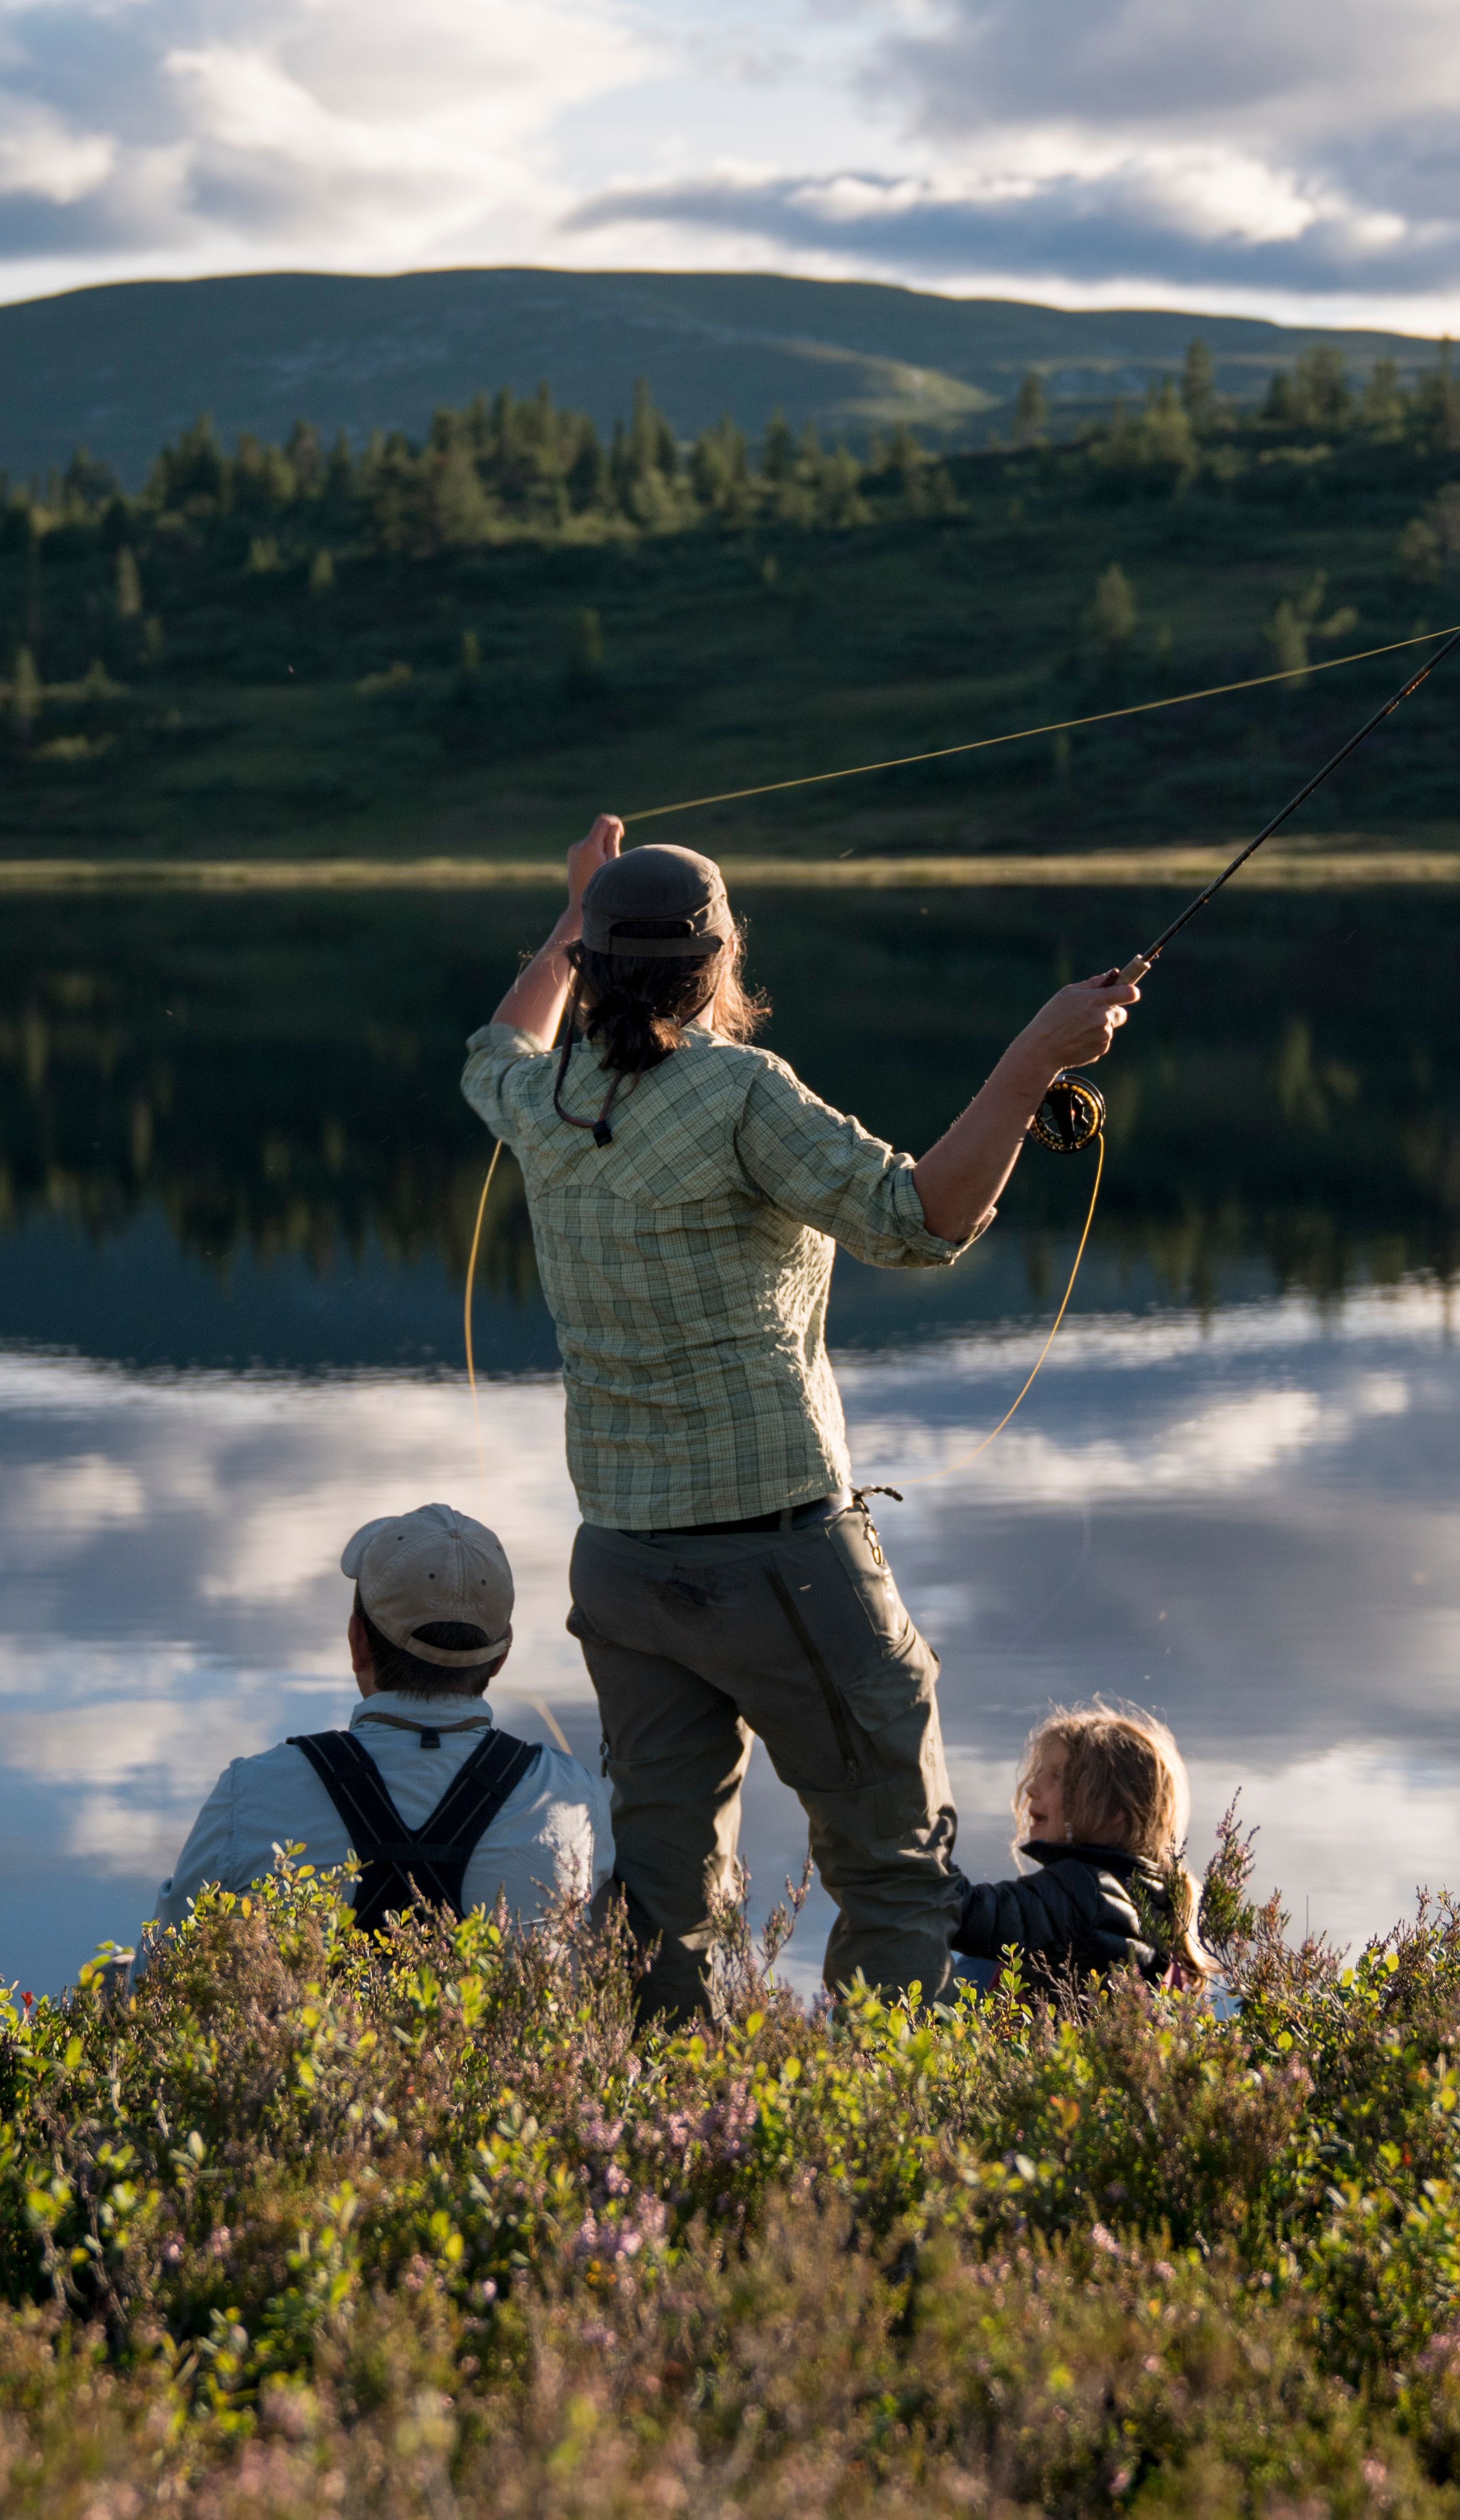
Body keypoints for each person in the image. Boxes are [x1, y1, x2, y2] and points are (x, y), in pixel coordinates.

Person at [462, 814, 1139, 2018]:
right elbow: (923, 1218)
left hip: (621, 1565)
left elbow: (493, 1046)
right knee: (895, 1880)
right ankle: (869, 2148)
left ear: (598, 969)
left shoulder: (545, 1098)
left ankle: (661, 2129)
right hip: (781, 1561)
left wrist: (579, 913)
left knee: (661, 1895)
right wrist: (1034, 1056)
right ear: (722, 958)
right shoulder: (738, 1092)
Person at [150, 1504, 610, 1934]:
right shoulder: (575, 1797)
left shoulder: (251, 1791)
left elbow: (158, 1977)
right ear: (500, 1657)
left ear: (358, 1642)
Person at [952, 1700, 1218, 1990]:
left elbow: (957, 1912)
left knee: (980, 1962)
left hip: (1027, 2034)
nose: (1032, 1788)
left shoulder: (1084, 1891)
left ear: (1114, 1812)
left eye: (1056, 1776)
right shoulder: (1153, 1897)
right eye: (1040, 1772)